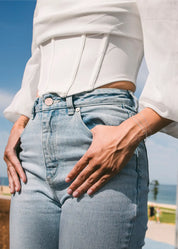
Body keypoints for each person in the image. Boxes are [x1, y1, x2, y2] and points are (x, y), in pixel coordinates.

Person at [3, 1, 178, 249]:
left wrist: (131, 133)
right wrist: (20, 121)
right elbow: (37, 61)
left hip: (100, 137)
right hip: (33, 147)